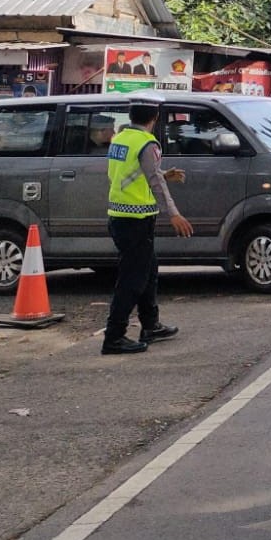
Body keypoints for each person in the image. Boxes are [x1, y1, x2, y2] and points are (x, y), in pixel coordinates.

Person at [101, 96, 194, 355]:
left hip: (120, 217)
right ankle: (114, 336)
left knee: (149, 271)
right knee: (132, 280)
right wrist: (173, 214)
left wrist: (165, 174)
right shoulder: (147, 143)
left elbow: (129, 175)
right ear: (154, 118)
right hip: (136, 221)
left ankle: (150, 324)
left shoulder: (120, 139)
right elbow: (155, 182)